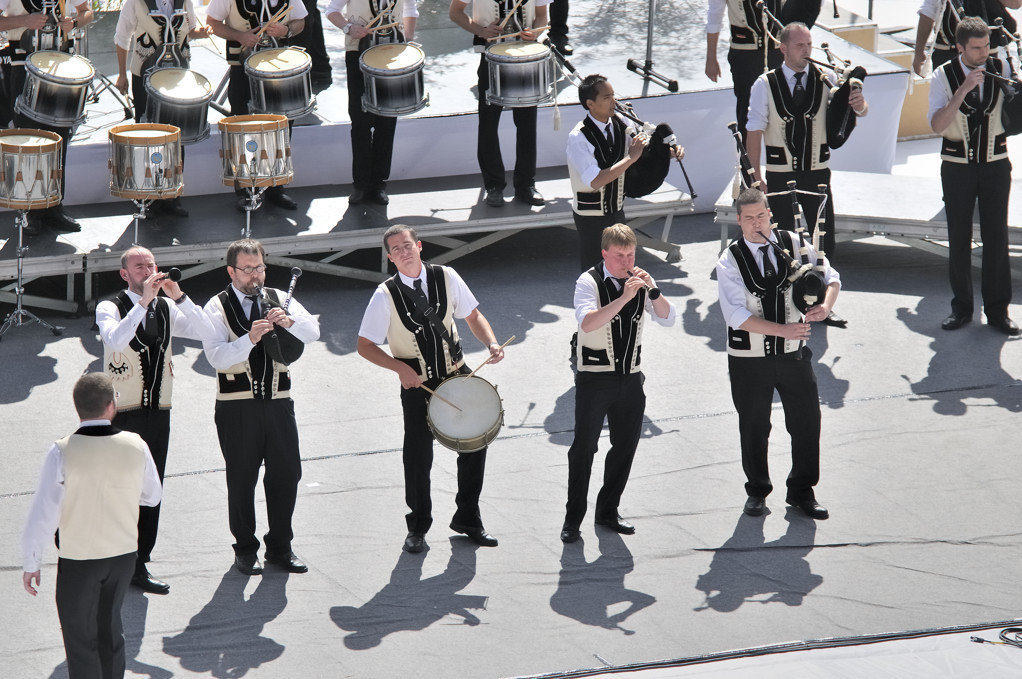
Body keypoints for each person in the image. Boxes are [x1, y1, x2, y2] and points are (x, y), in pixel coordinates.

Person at [357, 224, 505, 554]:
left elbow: (473, 315)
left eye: (407, 245)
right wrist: (399, 368)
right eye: (396, 249)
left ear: (419, 246)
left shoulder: (447, 276)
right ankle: (418, 526)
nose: (404, 251)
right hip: (418, 385)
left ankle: (468, 517)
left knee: (474, 445)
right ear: (389, 257)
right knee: (418, 456)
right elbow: (365, 345)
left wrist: (492, 343)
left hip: (457, 375)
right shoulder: (385, 294)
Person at [21, 373, 162, 679]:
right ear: (112, 405)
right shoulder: (136, 444)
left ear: (77, 408)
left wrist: (32, 561)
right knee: (111, 631)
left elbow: (43, 512)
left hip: (80, 558)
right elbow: (152, 497)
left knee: (80, 639)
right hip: (123, 555)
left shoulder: (61, 450)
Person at [96, 247, 214, 595]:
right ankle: (108, 559)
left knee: (151, 487)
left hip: (158, 411)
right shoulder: (110, 306)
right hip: (120, 412)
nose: (147, 269)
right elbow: (115, 341)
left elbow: (206, 333)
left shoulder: (166, 306)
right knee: (117, 488)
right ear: (125, 274)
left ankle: (139, 563)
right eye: (139, 266)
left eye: (150, 264)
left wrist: (182, 297)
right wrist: (142, 303)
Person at [716, 188, 839, 520]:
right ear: (739, 221)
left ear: (769, 213)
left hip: (793, 355)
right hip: (749, 360)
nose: (757, 223)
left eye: (761, 216)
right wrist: (784, 330)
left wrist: (825, 308)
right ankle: (757, 490)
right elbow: (735, 317)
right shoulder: (730, 259)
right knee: (755, 426)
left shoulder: (795, 244)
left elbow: (832, 278)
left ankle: (802, 491)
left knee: (806, 422)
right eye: (749, 218)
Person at [201, 239, 321, 575]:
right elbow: (215, 357)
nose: (256, 276)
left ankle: (281, 547)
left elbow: (313, 332)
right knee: (242, 479)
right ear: (231, 271)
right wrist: (248, 340)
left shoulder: (280, 297)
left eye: (260, 268)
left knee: (287, 474)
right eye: (248, 269)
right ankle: (244, 549)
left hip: (279, 403)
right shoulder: (216, 306)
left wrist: (290, 322)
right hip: (237, 408)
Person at [560, 224, 675, 544]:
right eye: (620, 256)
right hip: (595, 380)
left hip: (631, 379)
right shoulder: (588, 282)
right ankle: (572, 519)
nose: (627, 262)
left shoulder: (640, 282)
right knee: (583, 450)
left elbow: (668, 318)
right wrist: (625, 297)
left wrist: (653, 289)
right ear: (604, 254)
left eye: (631, 255)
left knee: (625, 447)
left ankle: (608, 511)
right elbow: (587, 322)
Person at [745, 21, 864, 328]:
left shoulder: (827, 79)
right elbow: (754, 131)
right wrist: (757, 178)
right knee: (785, 241)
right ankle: (787, 305)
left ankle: (824, 305)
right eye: (800, 46)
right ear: (783, 48)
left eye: (809, 45)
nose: (806, 51)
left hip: (818, 173)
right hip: (781, 175)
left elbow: (853, 112)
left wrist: (860, 105)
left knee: (822, 239)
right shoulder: (764, 84)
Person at [929, 17, 1018, 334]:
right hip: (956, 166)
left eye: (986, 46)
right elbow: (938, 125)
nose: (984, 53)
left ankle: (998, 312)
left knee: (997, 237)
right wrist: (963, 89)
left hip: (995, 164)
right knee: (959, 237)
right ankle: (962, 309)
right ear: (960, 48)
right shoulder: (943, 75)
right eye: (977, 48)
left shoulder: (1002, 67)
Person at [566, 74, 685, 272]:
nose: (613, 101)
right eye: (606, 97)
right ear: (590, 104)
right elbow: (595, 181)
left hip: (616, 209)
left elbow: (642, 153)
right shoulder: (578, 137)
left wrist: (669, 153)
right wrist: (630, 158)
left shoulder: (621, 123)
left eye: (613, 95)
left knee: (622, 266)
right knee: (596, 273)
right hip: (590, 216)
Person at [0, 0, 92, 235]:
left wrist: (74, 22)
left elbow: (87, 12)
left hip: (61, 66)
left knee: (59, 136)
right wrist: (24, 21)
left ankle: (54, 207)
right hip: (24, 65)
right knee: (29, 138)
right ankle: (31, 210)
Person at [113, 0, 211, 218]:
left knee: (177, 137)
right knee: (147, 135)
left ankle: (171, 196)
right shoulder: (136, 2)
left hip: (178, 77)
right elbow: (122, 37)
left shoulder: (185, 1)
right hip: (145, 76)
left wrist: (200, 32)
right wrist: (121, 75)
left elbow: (191, 30)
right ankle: (145, 196)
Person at [206, 0, 306, 211]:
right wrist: (240, 36)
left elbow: (300, 21)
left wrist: (286, 30)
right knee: (243, 129)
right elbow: (212, 22)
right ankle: (245, 190)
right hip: (242, 68)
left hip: (278, 67)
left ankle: (275, 187)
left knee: (281, 127)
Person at [449, 0, 549, 208]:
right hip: (491, 57)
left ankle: (526, 185)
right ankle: (493, 186)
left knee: (526, 124)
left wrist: (535, 33)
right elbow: (455, 12)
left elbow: (541, 15)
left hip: (525, 57)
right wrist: (481, 30)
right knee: (488, 124)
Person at [325, 0, 418, 206]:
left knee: (387, 120)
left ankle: (378, 184)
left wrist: (408, 39)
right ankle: (360, 184)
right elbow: (332, 11)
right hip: (359, 53)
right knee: (360, 122)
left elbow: (411, 9)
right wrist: (348, 27)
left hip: (392, 54)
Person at [705, 0, 821, 140]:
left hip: (779, 51)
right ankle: (746, 160)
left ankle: (783, 159)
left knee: (784, 110)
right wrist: (711, 58)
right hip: (745, 56)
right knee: (747, 113)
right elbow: (714, 15)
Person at [913, 0, 1020, 76]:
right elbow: (927, 16)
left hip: (987, 55)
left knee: (990, 100)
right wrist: (919, 53)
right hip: (948, 55)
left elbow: (1016, 3)